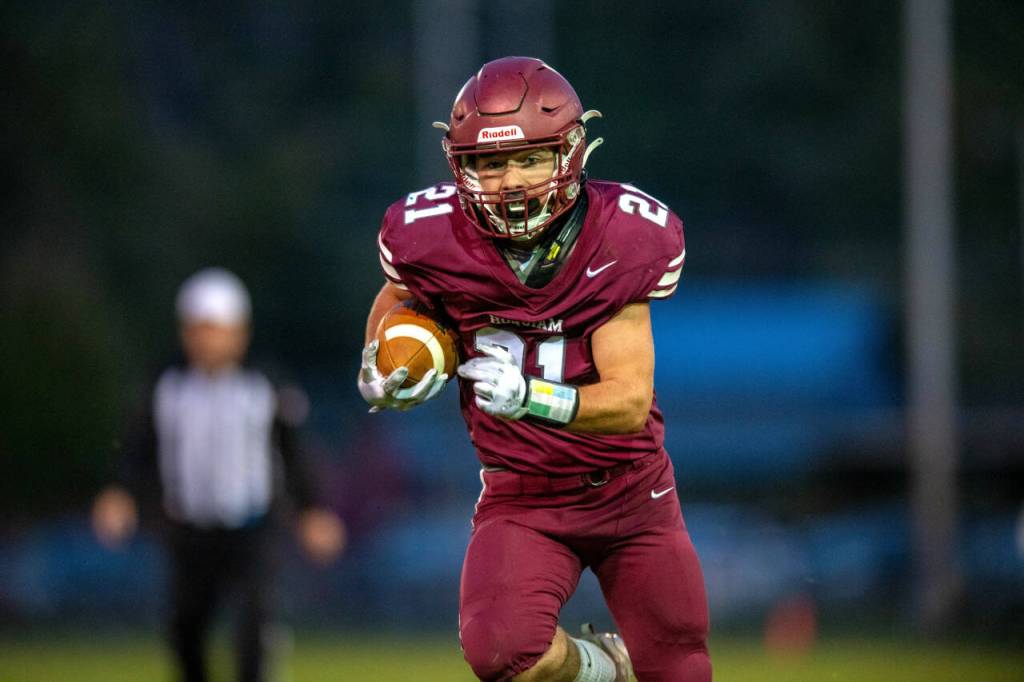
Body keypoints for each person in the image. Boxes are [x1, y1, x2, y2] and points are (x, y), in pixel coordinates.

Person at [358, 57, 711, 681]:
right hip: (522, 494)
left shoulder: (620, 237)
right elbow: (397, 294)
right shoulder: (429, 236)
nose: (511, 182)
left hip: (630, 489)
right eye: (491, 164)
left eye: (529, 159)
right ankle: (604, 668)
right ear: (460, 166)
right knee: (500, 654)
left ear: (570, 153)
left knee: (680, 667)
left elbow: (629, 401)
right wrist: (379, 360)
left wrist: (531, 397)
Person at [93, 267, 346, 682]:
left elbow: (293, 452)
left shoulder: (265, 384)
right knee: (186, 629)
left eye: (216, 329)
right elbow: (137, 446)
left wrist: (312, 510)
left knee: (253, 628)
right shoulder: (165, 384)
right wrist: (120, 493)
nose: (207, 340)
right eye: (199, 329)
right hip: (188, 528)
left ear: (238, 332)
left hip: (251, 528)